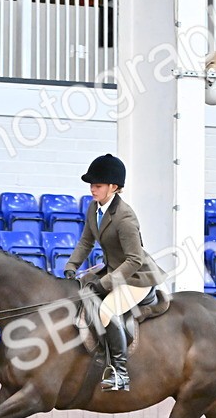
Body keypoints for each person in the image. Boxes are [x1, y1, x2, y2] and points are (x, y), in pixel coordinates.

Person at [64, 154, 165, 392]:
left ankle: (120, 373)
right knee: (81, 292)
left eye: (98, 185)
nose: (92, 189)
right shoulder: (94, 208)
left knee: (107, 310)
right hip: (115, 270)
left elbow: (134, 260)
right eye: (91, 185)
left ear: (114, 187)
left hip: (136, 278)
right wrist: (71, 266)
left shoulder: (125, 218)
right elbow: (86, 242)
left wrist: (106, 283)